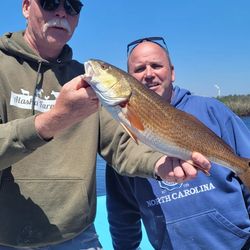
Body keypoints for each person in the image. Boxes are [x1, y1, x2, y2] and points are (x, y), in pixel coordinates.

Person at [0, 1, 211, 249]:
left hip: (80, 235)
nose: (61, 12)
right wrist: (53, 120)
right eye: (50, 2)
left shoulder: (89, 81)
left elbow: (121, 145)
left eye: (72, 6)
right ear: (26, 7)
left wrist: (158, 164)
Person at [106, 37, 250, 250]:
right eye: (139, 69)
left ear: (172, 72)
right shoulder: (122, 132)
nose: (148, 74)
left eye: (156, 65)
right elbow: (122, 209)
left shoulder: (213, 110)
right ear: (130, 79)